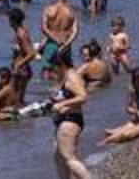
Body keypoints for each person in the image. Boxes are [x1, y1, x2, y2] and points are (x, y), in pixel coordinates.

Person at [47, 46, 91, 179]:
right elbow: (69, 96)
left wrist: (62, 104)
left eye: (54, 66)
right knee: (59, 158)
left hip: (70, 120)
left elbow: (83, 96)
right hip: (64, 120)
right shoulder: (66, 76)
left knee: (69, 158)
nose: (53, 70)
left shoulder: (72, 77)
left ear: (61, 64)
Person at [41, 0, 79, 67]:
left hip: (51, 44)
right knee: (67, 72)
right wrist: (67, 43)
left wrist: (56, 40)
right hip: (65, 45)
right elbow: (75, 31)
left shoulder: (48, 10)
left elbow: (44, 29)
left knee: (47, 72)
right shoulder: (71, 11)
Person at [8, 8, 37, 106]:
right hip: (21, 70)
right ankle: (22, 121)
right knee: (16, 99)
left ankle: (22, 119)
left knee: (16, 100)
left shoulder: (21, 34)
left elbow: (32, 54)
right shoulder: (20, 31)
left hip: (21, 71)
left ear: (12, 20)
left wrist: (18, 65)